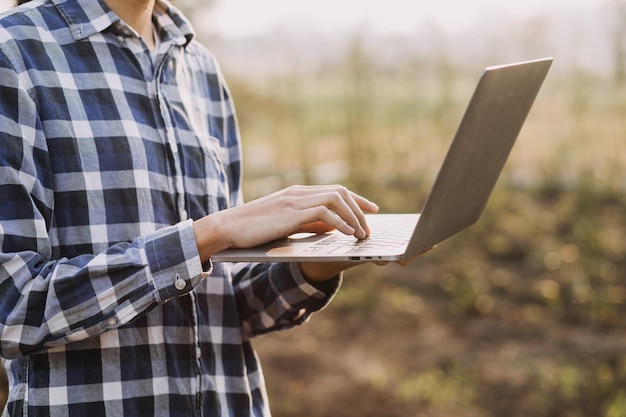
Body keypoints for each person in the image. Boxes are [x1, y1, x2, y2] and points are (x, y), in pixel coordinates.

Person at [0, 0, 386, 416]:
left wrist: (318, 263)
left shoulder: (200, 68)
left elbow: (226, 305)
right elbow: (11, 307)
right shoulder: (14, 52)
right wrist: (207, 236)